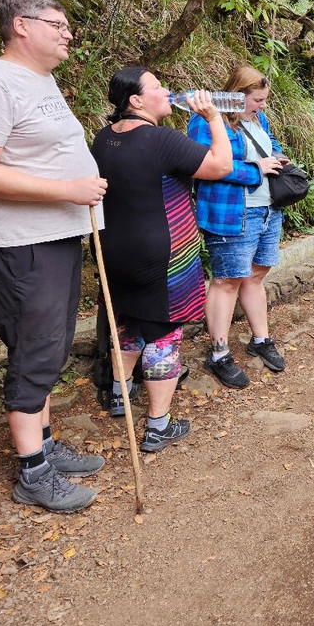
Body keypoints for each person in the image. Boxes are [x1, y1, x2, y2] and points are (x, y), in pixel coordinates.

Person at [0, 0, 108, 513]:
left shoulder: (39, 80)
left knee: (53, 345)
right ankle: (32, 472)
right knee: (36, 349)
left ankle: (42, 444)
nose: (68, 32)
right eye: (58, 23)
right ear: (21, 25)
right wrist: (68, 190)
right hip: (20, 244)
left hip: (55, 237)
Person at [90, 68, 233, 453]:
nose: (166, 91)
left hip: (111, 250)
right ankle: (158, 425)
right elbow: (221, 166)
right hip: (162, 254)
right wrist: (214, 117)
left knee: (130, 325)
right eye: (156, 87)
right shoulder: (160, 139)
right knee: (163, 336)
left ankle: (121, 396)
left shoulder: (103, 138)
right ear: (135, 101)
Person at [188, 65, 290, 389]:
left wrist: (279, 158)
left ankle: (260, 339)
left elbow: (271, 145)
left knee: (256, 275)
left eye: (264, 100)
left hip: (266, 210)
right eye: (257, 100)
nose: (262, 106)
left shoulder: (259, 118)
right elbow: (208, 165)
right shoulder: (207, 119)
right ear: (238, 95)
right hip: (231, 214)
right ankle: (218, 352)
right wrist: (256, 169)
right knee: (227, 280)